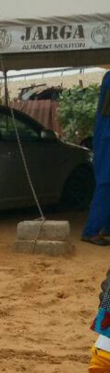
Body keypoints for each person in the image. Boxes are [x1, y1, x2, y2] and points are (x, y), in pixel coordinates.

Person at [80, 70, 110, 246]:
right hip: (107, 139)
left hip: (105, 136)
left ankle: (106, 226)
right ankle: (91, 231)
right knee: (106, 184)